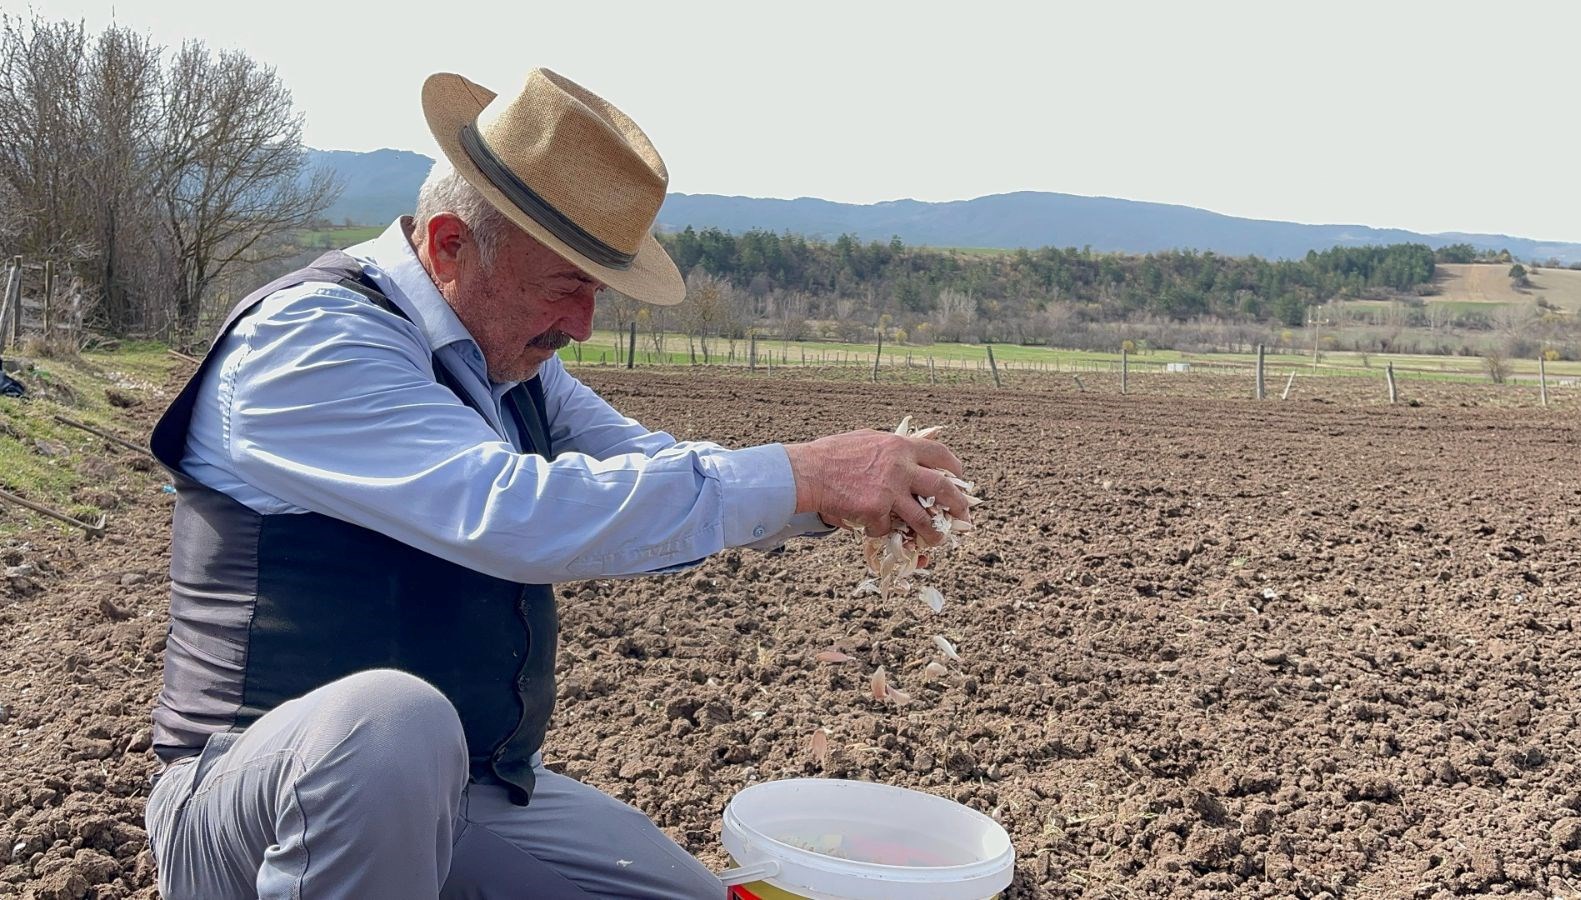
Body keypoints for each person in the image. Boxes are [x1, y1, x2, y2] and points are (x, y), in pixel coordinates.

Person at [143, 68, 971, 899]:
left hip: (467, 794)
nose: (581, 325)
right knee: (388, 723)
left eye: (596, 291)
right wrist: (801, 471)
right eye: (566, 286)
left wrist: (826, 496)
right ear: (448, 245)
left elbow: (643, 473)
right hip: (255, 804)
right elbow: (516, 515)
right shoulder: (311, 342)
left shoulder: (510, 364)